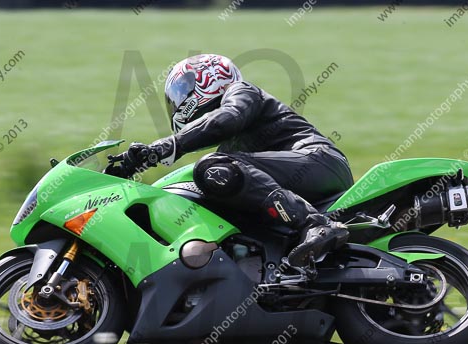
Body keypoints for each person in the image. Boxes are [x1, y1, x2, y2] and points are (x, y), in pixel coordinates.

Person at [120, 54, 353, 267]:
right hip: (305, 172)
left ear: (209, 78)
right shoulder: (230, 156)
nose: (177, 101)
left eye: (183, 88)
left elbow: (229, 117)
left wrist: (169, 145)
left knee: (212, 168)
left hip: (319, 160)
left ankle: (315, 225)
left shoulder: (242, 91)